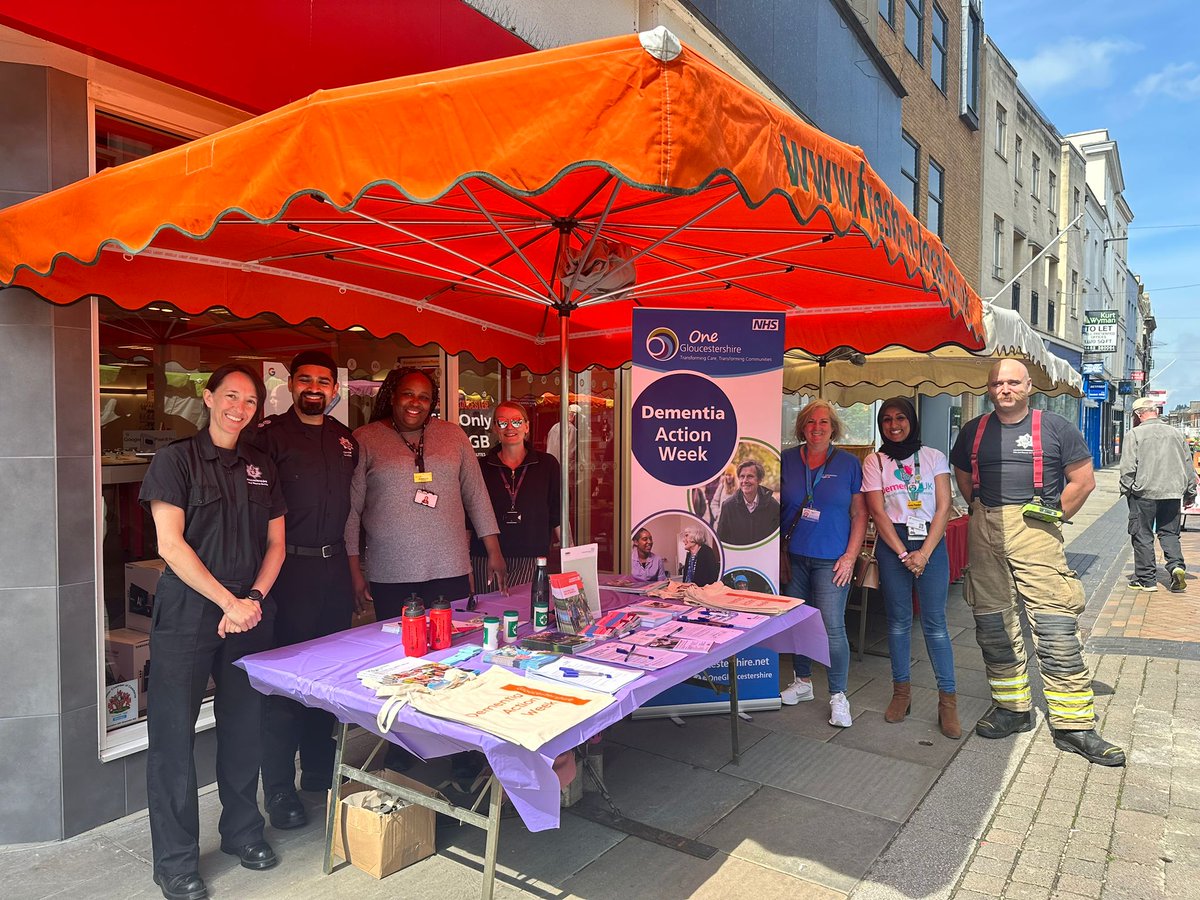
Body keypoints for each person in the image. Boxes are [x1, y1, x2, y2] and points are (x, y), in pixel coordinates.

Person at [138, 364, 286, 900]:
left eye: (250, 400)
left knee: (245, 727)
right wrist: (228, 601)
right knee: (172, 740)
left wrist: (253, 601)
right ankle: (175, 862)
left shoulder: (262, 467)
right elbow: (170, 545)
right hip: (187, 615)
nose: (239, 408)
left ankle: (243, 832)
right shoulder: (174, 461)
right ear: (207, 398)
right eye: (230, 396)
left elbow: (277, 546)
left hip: (247, 612)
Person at [949, 359, 1124, 766]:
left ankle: (1074, 726)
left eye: (1013, 382)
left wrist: (1056, 516)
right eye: (997, 383)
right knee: (993, 625)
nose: (1004, 388)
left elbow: (1083, 481)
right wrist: (979, 508)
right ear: (989, 389)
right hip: (985, 526)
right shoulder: (973, 431)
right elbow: (963, 476)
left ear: (1029, 386)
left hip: (1036, 529)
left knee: (1056, 626)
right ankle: (1013, 709)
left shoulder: (1056, 427)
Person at [345, 367, 505, 773]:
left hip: (449, 565)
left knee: (456, 656)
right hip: (390, 569)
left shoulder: (453, 436)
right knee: (401, 661)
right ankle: (403, 743)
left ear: (433, 401)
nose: (414, 403)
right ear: (391, 396)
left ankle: (460, 740)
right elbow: (352, 510)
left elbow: (476, 494)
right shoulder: (367, 439)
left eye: (423, 396)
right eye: (406, 394)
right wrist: (353, 567)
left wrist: (493, 549)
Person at [247, 351, 358, 832]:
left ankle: (318, 771)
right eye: (306, 380)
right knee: (286, 687)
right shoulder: (268, 437)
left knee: (328, 682)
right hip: (288, 574)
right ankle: (278, 789)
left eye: (324, 382)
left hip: (333, 575)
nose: (315, 388)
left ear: (335, 389)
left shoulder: (345, 440)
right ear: (290, 384)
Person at [861, 397, 960, 739]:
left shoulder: (933, 457)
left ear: (912, 421)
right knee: (899, 623)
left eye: (900, 418)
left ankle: (947, 701)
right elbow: (877, 512)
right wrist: (905, 554)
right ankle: (901, 694)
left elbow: (945, 506)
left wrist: (924, 553)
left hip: (930, 542)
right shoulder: (875, 461)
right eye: (886, 419)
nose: (894, 425)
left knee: (935, 625)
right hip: (894, 545)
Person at [779, 399, 866, 728]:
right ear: (802, 426)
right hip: (794, 557)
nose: (817, 427)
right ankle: (803, 682)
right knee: (799, 622)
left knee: (831, 628)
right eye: (811, 422)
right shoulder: (785, 460)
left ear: (834, 428)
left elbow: (860, 513)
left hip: (833, 559)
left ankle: (838, 695)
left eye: (824, 422)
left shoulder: (848, 464)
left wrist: (850, 556)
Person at [470, 400, 561, 588]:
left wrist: (571, 553)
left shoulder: (547, 464)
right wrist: (465, 564)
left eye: (517, 421)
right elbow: (469, 518)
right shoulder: (481, 467)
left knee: (526, 613)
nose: (510, 427)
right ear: (495, 428)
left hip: (531, 557)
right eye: (502, 422)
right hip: (485, 557)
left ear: (527, 426)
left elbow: (557, 513)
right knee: (488, 614)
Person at [1120, 396, 1195, 592]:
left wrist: (1126, 489)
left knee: (1142, 534)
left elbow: (1128, 467)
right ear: (1156, 412)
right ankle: (1176, 566)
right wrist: (1190, 492)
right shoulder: (1176, 434)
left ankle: (1146, 580)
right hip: (1172, 492)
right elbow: (1188, 464)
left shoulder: (1134, 434)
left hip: (1144, 493)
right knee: (1170, 533)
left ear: (1138, 414)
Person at [716, 458, 781, 545]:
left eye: (750, 476)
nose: (745, 481)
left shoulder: (773, 506)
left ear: (759, 480)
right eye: (742, 476)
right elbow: (721, 540)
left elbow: (776, 540)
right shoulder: (728, 506)